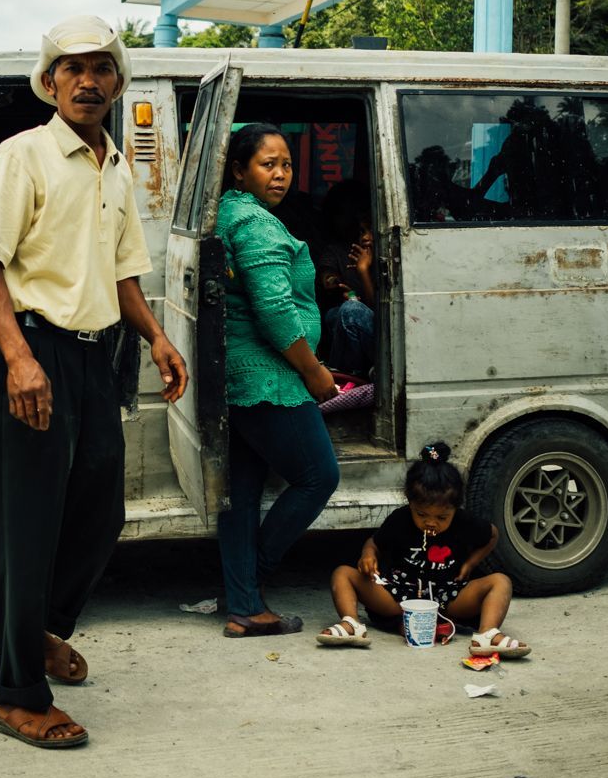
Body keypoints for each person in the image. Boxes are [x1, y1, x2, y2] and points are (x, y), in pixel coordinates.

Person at [0, 15, 188, 749]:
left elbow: (122, 271)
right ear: (51, 82)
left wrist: (156, 336)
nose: (89, 81)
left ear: (118, 84)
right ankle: (17, 694)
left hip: (99, 357)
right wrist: (19, 359)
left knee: (100, 513)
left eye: (102, 69)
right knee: (28, 522)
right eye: (74, 68)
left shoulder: (116, 166)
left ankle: (26, 629)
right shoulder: (23, 154)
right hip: (33, 350)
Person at [216, 122, 340, 638]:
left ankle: (243, 602)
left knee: (242, 494)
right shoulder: (257, 225)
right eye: (268, 164)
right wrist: (315, 374)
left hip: (241, 375)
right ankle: (251, 581)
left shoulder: (232, 212)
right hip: (270, 376)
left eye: (287, 164)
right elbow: (274, 310)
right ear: (240, 170)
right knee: (318, 476)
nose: (282, 174)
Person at [317, 440, 531, 656]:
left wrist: (470, 563)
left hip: (449, 596)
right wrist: (368, 555)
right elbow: (374, 543)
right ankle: (351, 625)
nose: (431, 523)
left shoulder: (465, 522)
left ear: (455, 509)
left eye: (441, 517)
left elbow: (492, 535)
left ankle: (487, 635)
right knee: (342, 573)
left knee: (501, 581)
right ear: (410, 503)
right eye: (421, 514)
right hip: (399, 595)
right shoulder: (400, 519)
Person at [315, 181, 375, 379]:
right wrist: (333, 281)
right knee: (336, 313)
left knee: (351, 311)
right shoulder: (339, 250)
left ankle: (345, 377)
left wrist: (364, 271)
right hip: (361, 322)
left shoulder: (387, 256)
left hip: (382, 331)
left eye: (369, 230)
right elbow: (327, 274)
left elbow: (378, 309)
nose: (365, 237)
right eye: (361, 231)